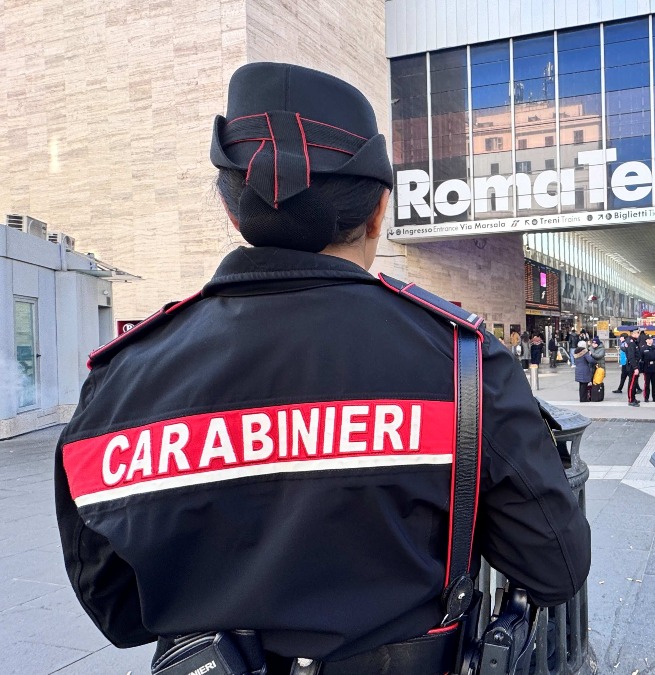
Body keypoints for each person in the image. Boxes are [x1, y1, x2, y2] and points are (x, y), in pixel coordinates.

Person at [52, 62, 590, 675]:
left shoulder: (120, 378)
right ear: (378, 211)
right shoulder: (461, 362)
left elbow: (116, 610)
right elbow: (556, 566)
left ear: (233, 211)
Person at [639, 334, 655, 403]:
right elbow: (641, 358)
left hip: (654, 367)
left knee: (654, 384)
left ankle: (654, 397)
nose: (650, 340)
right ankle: (646, 397)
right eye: (649, 339)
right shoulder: (643, 348)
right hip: (647, 367)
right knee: (647, 384)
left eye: (651, 339)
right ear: (646, 340)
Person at [624, 329, 643, 407]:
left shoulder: (633, 341)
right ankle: (631, 399)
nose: (639, 334)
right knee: (632, 383)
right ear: (633, 333)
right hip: (633, 365)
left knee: (634, 383)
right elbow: (631, 356)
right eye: (638, 333)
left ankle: (633, 397)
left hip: (634, 364)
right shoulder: (631, 343)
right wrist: (635, 367)